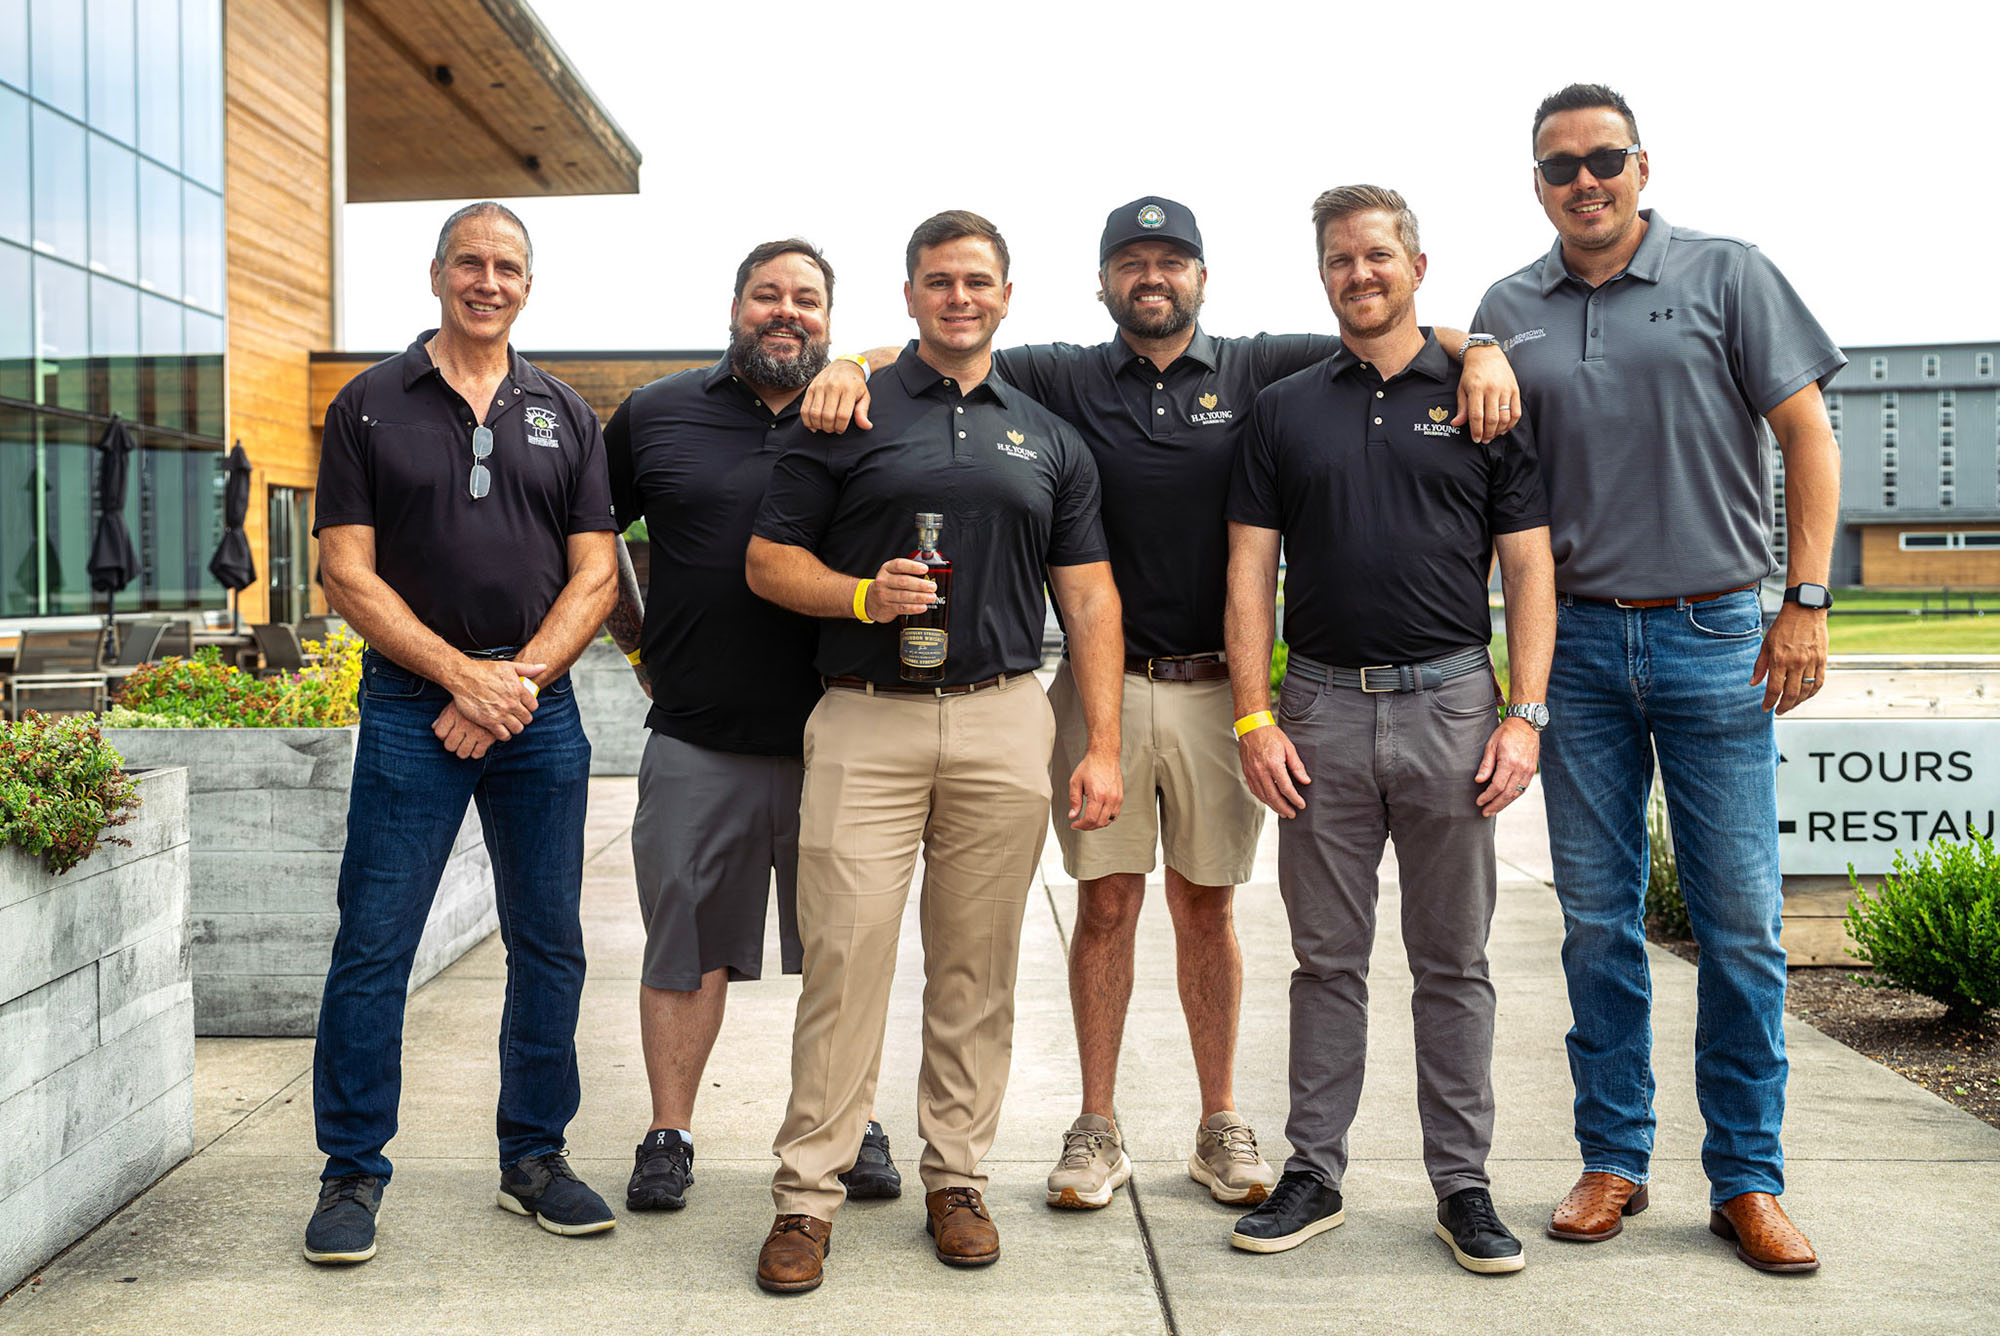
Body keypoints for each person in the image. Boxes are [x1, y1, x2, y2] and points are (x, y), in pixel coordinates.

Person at [799, 197, 1522, 1213]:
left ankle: (1219, 1121)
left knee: (1205, 903)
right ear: (1100, 282)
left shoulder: (1261, 368)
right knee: (1104, 902)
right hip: (1099, 689)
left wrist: (1481, 346)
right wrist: (845, 363)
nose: (1152, 275)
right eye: (1129, 261)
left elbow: (1389, 328)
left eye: (1171, 259)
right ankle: (1094, 1125)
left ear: (1201, 276)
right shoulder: (1057, 376)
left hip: (1219, 690)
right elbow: (946, 342)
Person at [1472, 83, 1843, 1274]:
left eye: (1603, 159)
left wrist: (1803, 601)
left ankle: (1745, 1177)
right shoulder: (1505, 306)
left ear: (1641, 165)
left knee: (1738, 928)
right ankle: (1613, 1159)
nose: (1584, 181)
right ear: (1535, 184)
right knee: (1596, 925)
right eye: (1558, 166)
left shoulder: (1726, 275)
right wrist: (1468, 341)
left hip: (1714, 636)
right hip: (1572, 649)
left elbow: (1806, 437)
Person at [745, 210, 1125, 1293]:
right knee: (846, 957)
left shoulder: (1045, 434)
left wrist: (1097, 741)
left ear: (1005, 297)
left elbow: (1089, 597)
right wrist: (863, 595)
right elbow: (769, 564)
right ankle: (805, 1196)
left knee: (976, 967)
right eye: (937, 281)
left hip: (1007, 717)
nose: (958, 297)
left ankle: (955, 1178)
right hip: (866, 715)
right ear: (908, 297)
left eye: (976, 281)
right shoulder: (849, 408)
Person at [1224, 185, 1554, 1273]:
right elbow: (1248, 572)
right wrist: (1253, 714)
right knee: (1325, 960)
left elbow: (1527, 566)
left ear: (1416, 264)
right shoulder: (1282, 407)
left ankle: (1461, 1185)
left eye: (1375, 255)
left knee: (1451, 960)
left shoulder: (1480, 398)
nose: (1357, 274)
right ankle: (1312, 1170)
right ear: (1321, 274)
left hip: (1456, 705)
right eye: (1337, 260)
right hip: (1315, 705)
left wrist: (1522, 714)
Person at [304, 201, 621, 1264]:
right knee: (373, 943)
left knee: (549, 943)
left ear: (529, 284)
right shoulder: (366, 405)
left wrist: (514, 684)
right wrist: (456, 676)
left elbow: (596, 572)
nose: (489, 280)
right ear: (437, 272)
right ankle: (350, 1172)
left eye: (509, 266)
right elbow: (345, 569)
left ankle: (532, 1157)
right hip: (408, 707)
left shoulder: (564, 412)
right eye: (471, 262)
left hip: (536, 710)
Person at [600, 239, 900, 1215]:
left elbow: (949, 353)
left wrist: (867, 366)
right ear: (734, 307)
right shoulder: (656, 414)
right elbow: (588, 542)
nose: (785, 311)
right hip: (698, 736)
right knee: (683, 946)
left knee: (844, 949)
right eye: (766, 294)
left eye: (806, 298)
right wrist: (641, 648)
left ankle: (847, 1121)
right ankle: (668, 1130)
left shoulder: (868, 414)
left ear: (831, 317)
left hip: (846, 736)